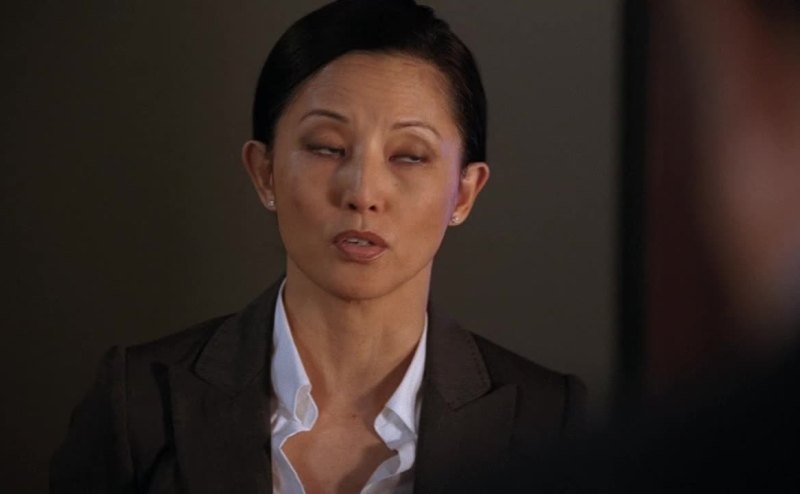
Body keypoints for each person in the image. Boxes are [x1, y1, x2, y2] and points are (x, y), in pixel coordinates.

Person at [50, 1, 586, 492]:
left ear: (464, 193)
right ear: (264, 172)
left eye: (409, 156)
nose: (363, 193)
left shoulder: (548, 422)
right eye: (327, 147)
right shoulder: (138, 402)